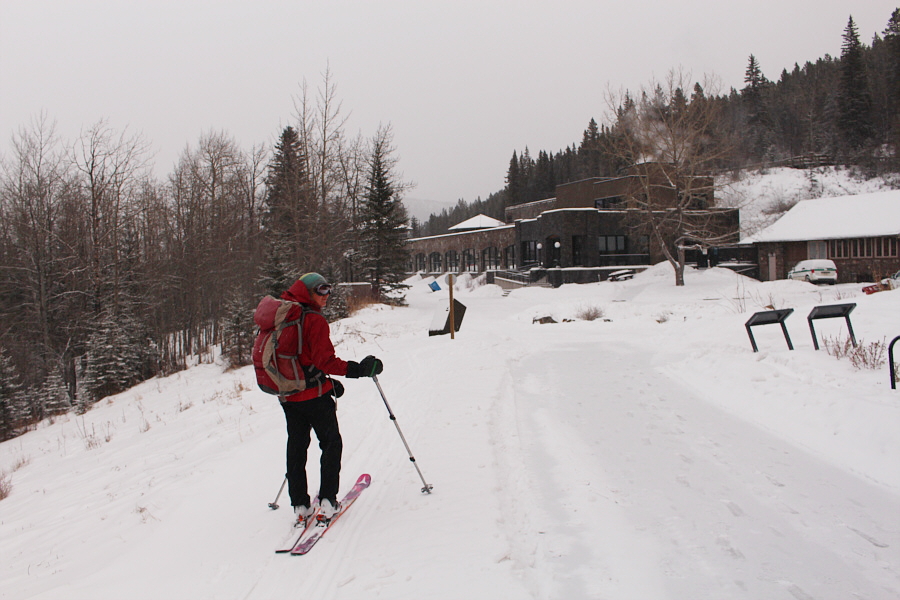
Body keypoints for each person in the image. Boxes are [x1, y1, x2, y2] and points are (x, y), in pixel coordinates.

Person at [276, 272, 383, 526]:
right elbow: (326, 361)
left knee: (297, 447)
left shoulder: (283, 316)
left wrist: (324, 379)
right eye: (321, 291)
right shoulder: (314, 320)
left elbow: (299, 358)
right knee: (331, 444)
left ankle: (300, 505)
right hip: (315, 396)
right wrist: (358, 370)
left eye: (328, 290)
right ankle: (327, 501)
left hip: (289, 396)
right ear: (308, 292)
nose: (326, 296)